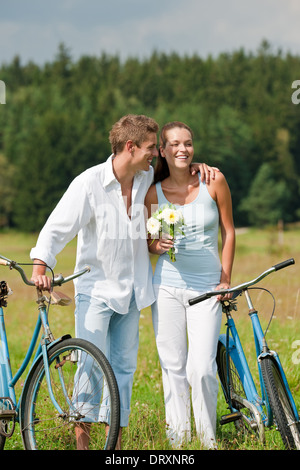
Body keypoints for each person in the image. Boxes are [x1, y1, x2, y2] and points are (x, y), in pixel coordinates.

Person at [29, 114, 217, 450]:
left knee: (123, 371)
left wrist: (198, 165)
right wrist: (41, 266)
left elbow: (178, 163)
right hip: (96, 291)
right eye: (149, 148)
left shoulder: (146, 176)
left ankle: (112, 448)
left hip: (134, 291)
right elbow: (57, 228)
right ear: (129, 147)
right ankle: (84, 446)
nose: (154, 155)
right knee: (89, 366)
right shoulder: (89, 184)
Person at [145, 121, 235, 449]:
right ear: (162, 151)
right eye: (175, 144)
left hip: (207, 287)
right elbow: (148, 240)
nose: (183, 149)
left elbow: (229, 231)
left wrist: (225, 278)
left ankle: (207, 441)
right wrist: (156, 246)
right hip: (166, 287)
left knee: (201, 367)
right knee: (172, 366)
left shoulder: (213, 181)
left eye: (188, 143)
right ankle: (179, 442)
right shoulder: (152, 192)